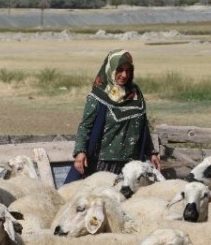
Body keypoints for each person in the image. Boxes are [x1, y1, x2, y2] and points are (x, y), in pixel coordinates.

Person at [65, 49, 160, 183]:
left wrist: (151, 153)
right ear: (110, 69)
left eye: (128, 70)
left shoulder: (135, 93)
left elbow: (143, 125)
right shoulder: (98, 95)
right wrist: (80, 152)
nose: (124, 75)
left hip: (131, 164)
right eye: (119, 70)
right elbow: (85, 126)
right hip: (103, 163)